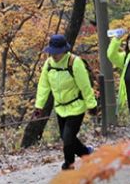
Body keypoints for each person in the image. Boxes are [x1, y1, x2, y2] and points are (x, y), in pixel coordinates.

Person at [34, 34, 96, 170]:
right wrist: (39, 106)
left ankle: (69, 164)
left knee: (68, 138)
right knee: (65, 137)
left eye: (57, 52)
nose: (54, 55)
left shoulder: (75, 62)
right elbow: (44, 86)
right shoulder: (48, 64)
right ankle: (86, 153)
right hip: (60, 107)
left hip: (76, 106)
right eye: (52, 52)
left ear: (64, 50)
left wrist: (91, 105)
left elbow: (85, 86)